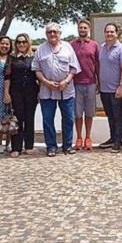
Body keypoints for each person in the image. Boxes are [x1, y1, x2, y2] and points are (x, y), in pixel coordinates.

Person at [32, 23, 81, 157]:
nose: (52, 34)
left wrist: (66, 81)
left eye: (55, 32)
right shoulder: (40, 49)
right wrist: (46, 82)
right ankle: (51, 146)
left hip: (66, 89)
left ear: (60, 33)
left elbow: (74, 68)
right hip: (47, 90)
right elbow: (36, 70)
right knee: (48, 119)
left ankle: (67, 146)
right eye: (49, 32)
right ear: (46, 34)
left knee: (68, 118)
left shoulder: (68, 47)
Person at [4, 33, 38, 158]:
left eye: (24, 42)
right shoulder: (11, 58)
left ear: (28, 43)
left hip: (31, 91)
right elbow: (7, 76)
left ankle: (29, 145)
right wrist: (6, 93)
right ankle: (16, 147)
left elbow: (38, 75)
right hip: (16, 92)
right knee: (17, 119)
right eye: (19, 42)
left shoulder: (33, 57)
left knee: (29, 118)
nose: (21, 44)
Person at [97, 22, 122, 153]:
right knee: (109, 115)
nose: (109, 34)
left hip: (116, 89)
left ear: (117, 34)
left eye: (112, 32)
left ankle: (118, 140)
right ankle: (112, 138)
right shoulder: (102, 47)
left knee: (117, 115)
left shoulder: (121, 49)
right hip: (104, 89)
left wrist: (121, 86)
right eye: (107, 31)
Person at [70, 19, 100, 150]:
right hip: (75, 83)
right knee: (77, 113)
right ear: (77, 29)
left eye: (84, 28)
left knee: (89, 112)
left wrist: (99, 80)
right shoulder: (71, 45)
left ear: (88, 29)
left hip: (91, 83)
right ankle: (79, 137)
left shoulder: (94, 45)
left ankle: (88, 137)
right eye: (80, 28)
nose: (82, 30)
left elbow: (98, 64)